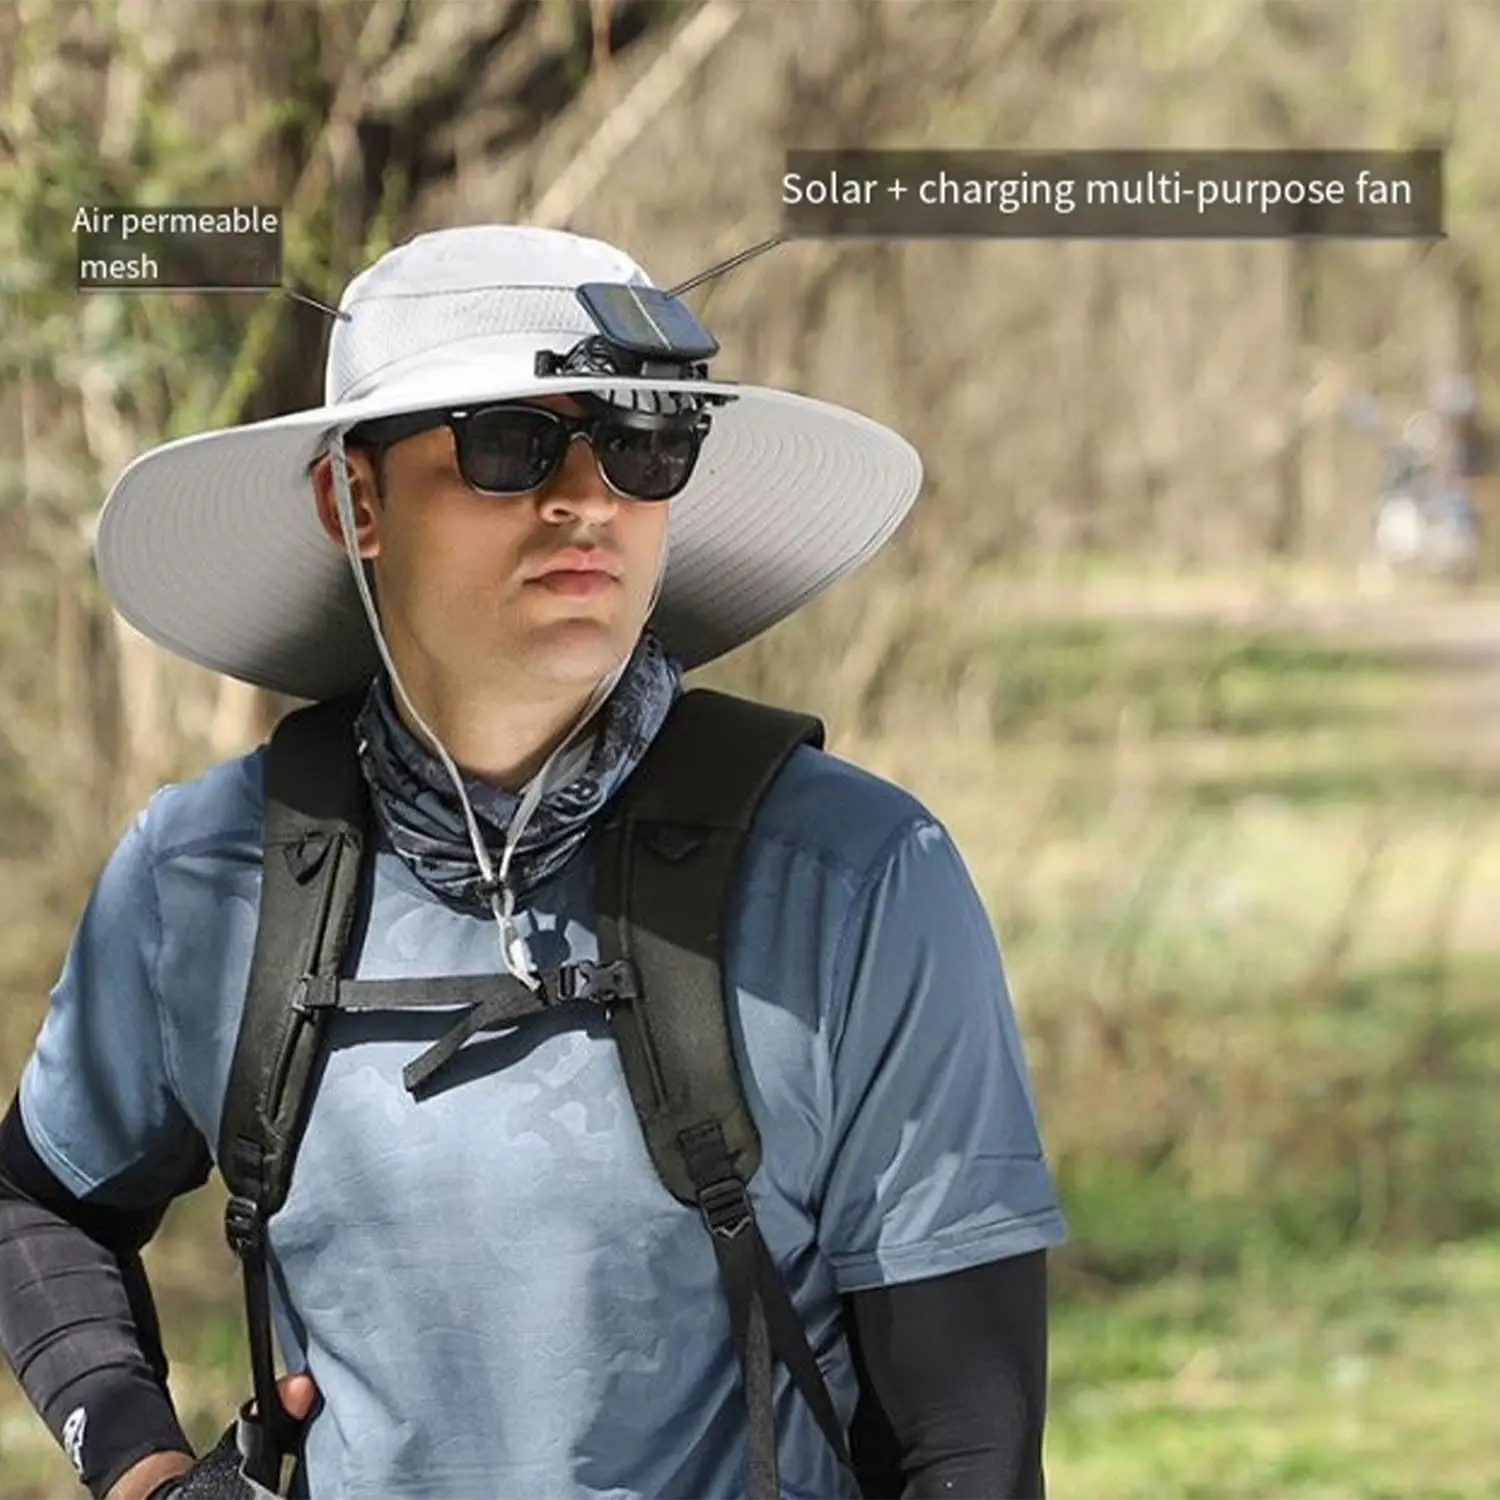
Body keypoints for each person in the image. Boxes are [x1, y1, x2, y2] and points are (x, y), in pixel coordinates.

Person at [0, 225, 1068, 1500]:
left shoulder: (854, 878)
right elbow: (38, 1203)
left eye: (642, 442)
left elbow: (971, 1444)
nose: (588, 500)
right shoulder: (202, 878)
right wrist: (140, 1468)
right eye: (508, 444)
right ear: (354, 501)